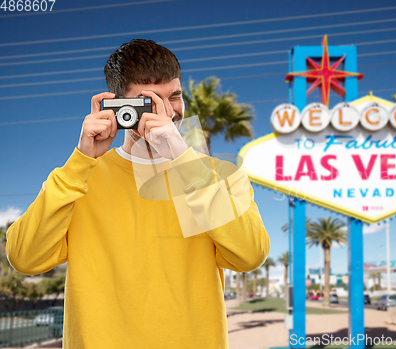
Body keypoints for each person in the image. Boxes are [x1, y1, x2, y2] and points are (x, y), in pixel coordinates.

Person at [6, 39, 270, 348]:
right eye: (148, 102)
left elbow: (251, 254)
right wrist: (81, 160)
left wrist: (184, 160)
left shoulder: (218, 175)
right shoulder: (80, 177)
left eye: (174, 97)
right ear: (117, 108)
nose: (167, 113)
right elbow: (24, 258)